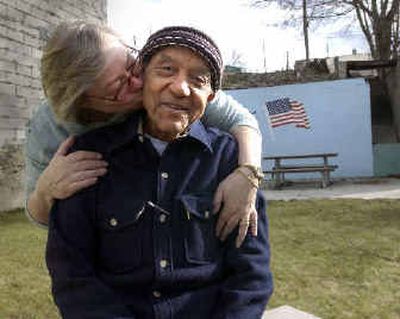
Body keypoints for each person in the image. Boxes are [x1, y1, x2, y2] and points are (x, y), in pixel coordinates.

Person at [46, 25, 273, 319]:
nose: (181, 88)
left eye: (198, 79)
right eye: (166, 69)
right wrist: (42, 191)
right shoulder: (86, 156)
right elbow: (72, 276)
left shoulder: (231, 160)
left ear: (211, 96)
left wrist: (249, 173)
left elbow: (251, 276)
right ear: (143, 79)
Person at [25, 22, 263, 246]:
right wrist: (45, 192)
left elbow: (241, 121)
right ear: (87, 106)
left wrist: (248, 174)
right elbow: (41, 219)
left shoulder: (174, 87)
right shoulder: (50, 129)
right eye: (119, 87)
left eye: (131, 63)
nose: (139, 83)